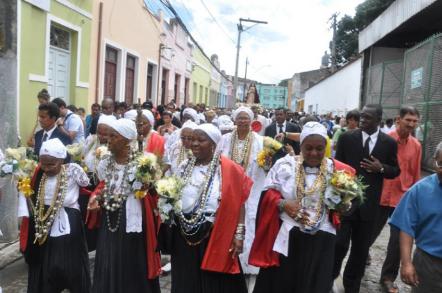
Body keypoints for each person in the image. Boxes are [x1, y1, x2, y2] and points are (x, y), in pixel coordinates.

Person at [250, 122, 355, 293]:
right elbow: (267, 195)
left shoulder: (336, 170)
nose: (314, 153)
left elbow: (349, 202)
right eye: (309, 148)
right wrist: (283, 204)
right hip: (289, 236)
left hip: (322, 238)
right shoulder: (285, 165)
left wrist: (344, 206)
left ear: (326, 148)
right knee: (282, 283)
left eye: (319, 148)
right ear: (301, 146)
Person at [167, 123, 252, 293]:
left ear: (213, 144)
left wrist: (239, 234)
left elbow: (239, 203)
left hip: (216, 233)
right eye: (193, 139)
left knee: (214, 281)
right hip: (184, 234)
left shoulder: (229, 169)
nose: (195, 144)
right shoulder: (184, 166)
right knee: (186, 279)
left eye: (201, 140)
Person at [87, 118, 161, 293]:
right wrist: (97, 198)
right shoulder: (106, 162)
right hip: (110, 218)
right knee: (107, 258)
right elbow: (104, 186)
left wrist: (145, 186)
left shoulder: (142, 164)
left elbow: (151, 194)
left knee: (130, 261)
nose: (108, 139)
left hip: (132, 220)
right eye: (109, 136)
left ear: (127, 140)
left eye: (114, 136)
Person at [332, 104, 400, 293]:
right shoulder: (347, 138)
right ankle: (330, 277)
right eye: (361, 116)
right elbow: (336, 166)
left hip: (370, 207)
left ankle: (351, 286)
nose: (362, 120)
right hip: (345, 203)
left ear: (378, 120)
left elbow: (395, 171)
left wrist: (382, 168)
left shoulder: (388, 143)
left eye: (367, 118)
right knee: (339, 244)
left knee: (360, 251)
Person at [18, 138, 91, 293]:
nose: (46, 168)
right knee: (46, 259)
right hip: (43, 218)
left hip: (68, 217)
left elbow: (87, 185)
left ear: (62, 160)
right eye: (43, 163)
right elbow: (31, 193)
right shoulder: (38, 173)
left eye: (51, 164)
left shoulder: (72, 170)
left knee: (67, 257)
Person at [368, 106, 421, 293]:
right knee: (369, 233)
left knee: (398, 241)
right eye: (408, 120)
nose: (411, 124)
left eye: (415, 121)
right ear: (399, 119)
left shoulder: (416, 145)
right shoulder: (384, 140)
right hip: (381, 195)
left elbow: (415, 175)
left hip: (403, 199)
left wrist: (415, 199)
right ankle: (362, 255)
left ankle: (388, 278)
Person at [218, 106, 267, 282]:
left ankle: (247, 264)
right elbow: (217, 160)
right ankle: (226, 256)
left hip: (251, 188)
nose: (243, 121)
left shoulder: (260, 141)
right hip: (228, 188)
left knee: (250, 221)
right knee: (227, 220)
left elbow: (266, 166)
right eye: (240, 118)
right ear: (235, 120)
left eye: (246, 118)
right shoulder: (224, 139)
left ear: (252, 120)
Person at [388, 142, 442, 293]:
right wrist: (406, 263)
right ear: (434, 160)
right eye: (441, 164)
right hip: (429, 264)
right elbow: (406, 228)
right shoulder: (420, 190)